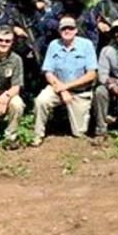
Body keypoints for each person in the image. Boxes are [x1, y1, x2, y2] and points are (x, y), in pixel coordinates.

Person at [31, 16, 98, 146]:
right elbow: (48, 72)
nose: (67, 31)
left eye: (70, 28)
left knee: (79, 133)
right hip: (57, 88)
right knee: (41, 100)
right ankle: (37, 135)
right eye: (64, 29)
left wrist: (66, 87)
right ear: (59, 31)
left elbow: (91, 74)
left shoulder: (86, 45)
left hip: (79, 92)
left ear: (76, 30)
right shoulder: (54, 45)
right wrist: (62, 90)